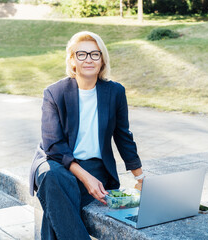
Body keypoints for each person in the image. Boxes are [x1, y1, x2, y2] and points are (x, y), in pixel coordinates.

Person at [28, 31, 145, 239]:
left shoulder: (115, 92)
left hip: (95, 166)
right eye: (81, 54)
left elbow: (123, 136)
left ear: (102, 60)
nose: (88, 59)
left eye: (95, 54)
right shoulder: (55, 93)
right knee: (53, 177)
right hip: (55, 162)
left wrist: (140, 177)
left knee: (57, 203)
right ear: (72, 60)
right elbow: (53, 145)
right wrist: (86, 178)